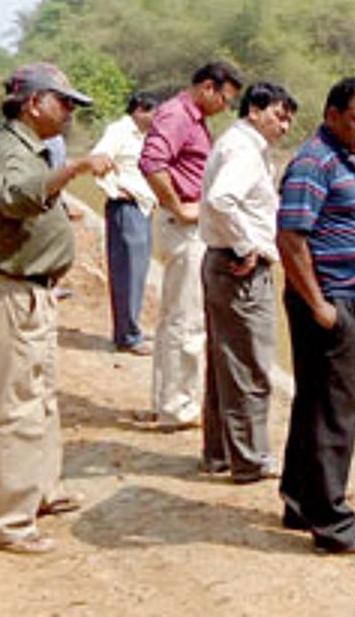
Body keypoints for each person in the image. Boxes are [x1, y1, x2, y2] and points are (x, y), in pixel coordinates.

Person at [0, 62, 115, 554]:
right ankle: (7, 520)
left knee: (40, 397)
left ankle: (40, 490)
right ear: (34, 103)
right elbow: (12, 197)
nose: (70, 112)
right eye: (64, 102)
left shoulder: (24, 149)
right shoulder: (9, 149)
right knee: (14, 407)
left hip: (32, 290)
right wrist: (73, 170)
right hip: (12, 290)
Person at [276, 76, 355, 555]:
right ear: (333, 115)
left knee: (316, 404)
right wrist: (321, 307)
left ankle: (301, 500)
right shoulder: (314, 162)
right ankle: (333, 524)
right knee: (336, 412)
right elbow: (291, 238)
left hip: (341, 301)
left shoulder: (340, 158)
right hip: (328, 303)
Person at [199, 82, 298, 484]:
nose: (285, 126)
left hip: (222, 262)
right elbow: (222, 199)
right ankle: (251, 459)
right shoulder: (243, 150)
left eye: (289, 118)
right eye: (279, 115)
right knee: (251, 365)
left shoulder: (239, 145)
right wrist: (246, 246)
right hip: (238, 267)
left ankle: (221, 452)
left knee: (225, 360)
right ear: (254, 111)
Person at [139, 60, 243, 431]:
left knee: (176, 318)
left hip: (188, 225)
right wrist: (177, 205)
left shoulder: (191, 118)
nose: (225, 107)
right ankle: (178, 407)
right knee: (187, 320)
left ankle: (167, 399)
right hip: (185, 228)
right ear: (208, 88)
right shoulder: (178, 115)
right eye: (225, 99)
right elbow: (152, 162)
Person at [91, 91, 159, 355]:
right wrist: (114, 188)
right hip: (126, 207)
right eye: (155, 113)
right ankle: (127, 336)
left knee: (138, 271)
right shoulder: (119, 130)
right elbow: (99, 158)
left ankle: (130, 328)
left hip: (140, 208)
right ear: (140, 110)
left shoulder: (143, 137)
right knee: (127, 272)